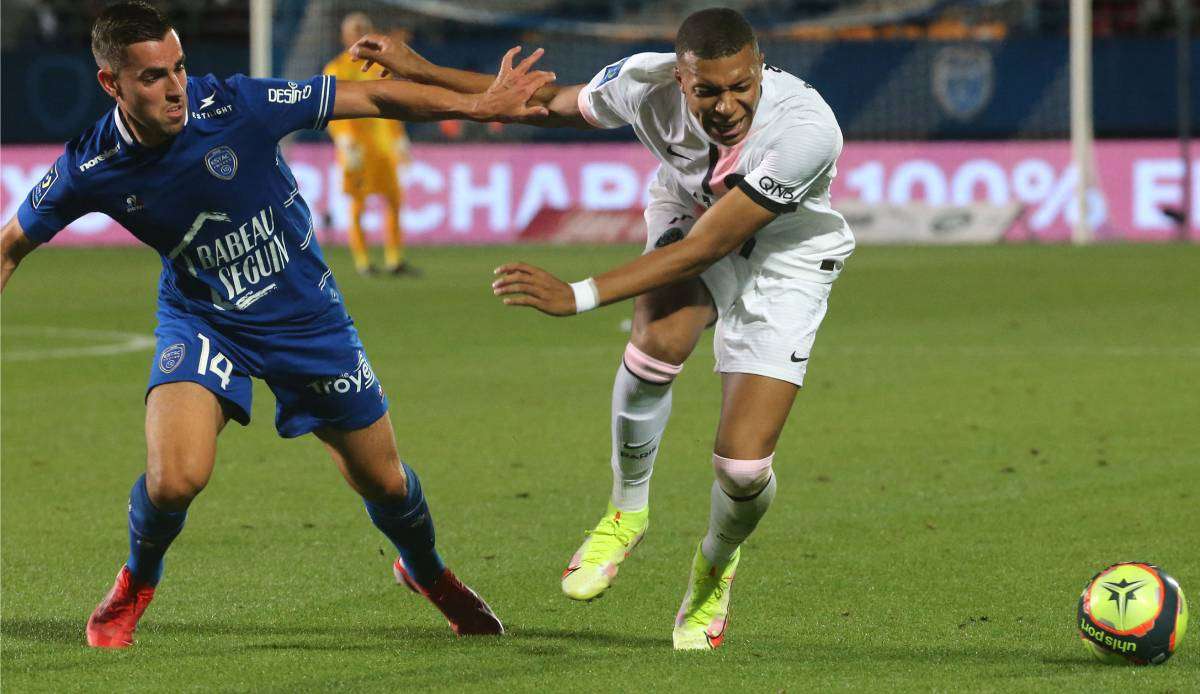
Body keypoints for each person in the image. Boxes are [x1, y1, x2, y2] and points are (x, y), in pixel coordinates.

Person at [0, 1, 551, 649]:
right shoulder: (91, 167)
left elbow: (371, 97)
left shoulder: (237, 105)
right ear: (110, 83)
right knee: (176, 477)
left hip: (306, 318)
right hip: (205, 321)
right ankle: (136, 580)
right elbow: (10, 244)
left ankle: (426, 571)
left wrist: (481, 105)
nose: (175, 87)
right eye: (151, 77)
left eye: (179, 67)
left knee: (385, 481)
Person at [353, 7, 854, 650]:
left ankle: (715, 564)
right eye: (707, 91)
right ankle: (626, 510)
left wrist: (580, 294)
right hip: (689, 211)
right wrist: (425, 69)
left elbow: (707, 247)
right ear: (681, 78)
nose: (726, 105)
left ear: (759, 70)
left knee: (743, 468)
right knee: (657, 343)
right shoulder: (644, 83)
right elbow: (542, 104)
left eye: (741, 87)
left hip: (785, 261)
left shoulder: (806, 129)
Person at [323, 13, 415, 276]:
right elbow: (329, 111)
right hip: (357, 151)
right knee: (358, 206)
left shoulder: (380, 67)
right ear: (345, 37)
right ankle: (363, 262)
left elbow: (393, 106)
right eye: (355, 30)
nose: (359, 34)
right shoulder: (336, 69)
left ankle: (395, 259)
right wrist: (343, 139)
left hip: (383, 148)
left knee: (395, 200)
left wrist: (400, 140)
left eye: (364, 29)